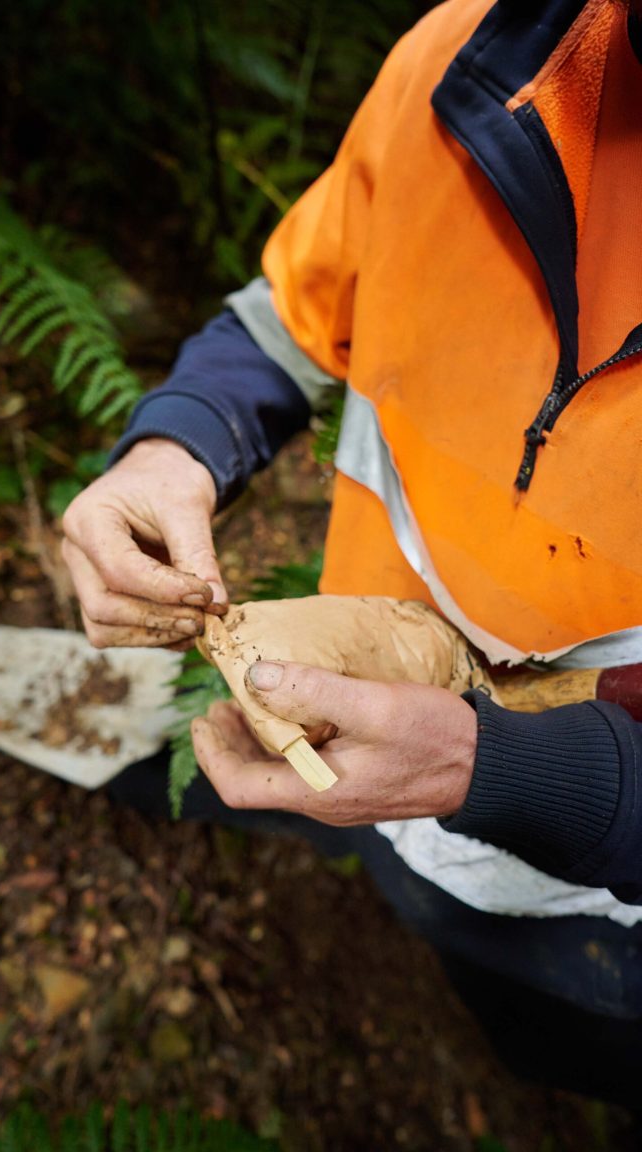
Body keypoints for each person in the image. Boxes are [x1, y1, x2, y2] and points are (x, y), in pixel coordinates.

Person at [62, 0, 642, 1108]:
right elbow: (291, 312)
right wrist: (179, 442)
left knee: (575, 1051)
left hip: (611, 914)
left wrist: (512, 772)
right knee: (457, 956)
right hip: (378, 791)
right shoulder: (463, 65)